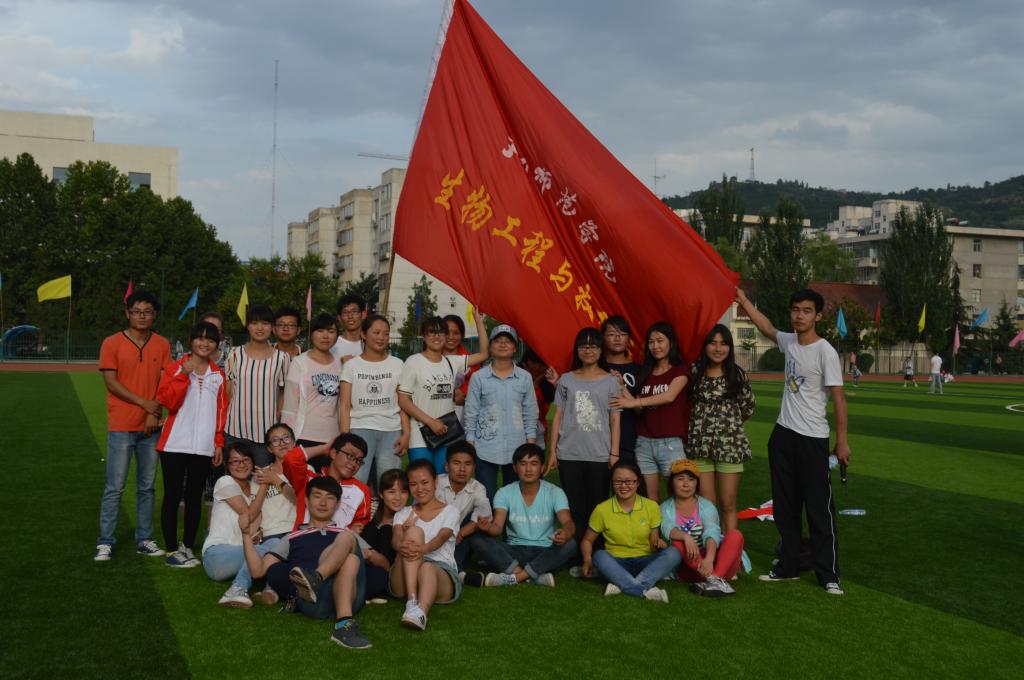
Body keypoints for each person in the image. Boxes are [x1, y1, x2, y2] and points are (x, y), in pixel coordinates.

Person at [736, 287, 849, 596]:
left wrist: (842, 441)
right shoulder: (789, 341)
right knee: (785, 508)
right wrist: (743, 301)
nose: (799, 316)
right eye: (795, 310)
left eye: (806, 311)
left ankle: (829, 575)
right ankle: (788, 567)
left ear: (818, 316)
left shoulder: (825, 351)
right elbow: (767, 327)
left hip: (813, 438)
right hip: (783, 435)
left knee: (819, 510)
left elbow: (839, 399)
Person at [240, 476, 373, 649]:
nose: (323, 503)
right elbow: (257, 571)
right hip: (314, 601)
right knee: (348, 545)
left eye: (330, 498)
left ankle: (320, 583)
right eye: (317, 496)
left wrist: (368, 554)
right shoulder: (291, 537)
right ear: (306, 500)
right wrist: (245, 535)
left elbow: (383, 563)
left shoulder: (346, 533)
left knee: (349, 550)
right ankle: (339, 618)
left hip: (349, 595)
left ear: (337, 504)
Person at [95, 291, 172, 561]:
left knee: (147, 487)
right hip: (121, 424)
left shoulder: (162, 344)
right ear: (127, 313)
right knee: (114, 487)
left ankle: (144, 538)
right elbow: (111, 383)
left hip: (150, 427)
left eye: (147, 311)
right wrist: (144, 403)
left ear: (154, 315)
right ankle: (105, 541)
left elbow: (164, 382)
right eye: (137, 311)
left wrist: (153, 411)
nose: (142, 316)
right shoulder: (112, 343)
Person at [156, 320, 228, 567]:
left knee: (195, 496)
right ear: (191, 340)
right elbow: (169, 402)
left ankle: (187, 546)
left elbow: (221, 412)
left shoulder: (218, 375)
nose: (204, 343)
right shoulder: (175, 368)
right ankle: (171, 550)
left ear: (217, 345)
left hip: (203, 446)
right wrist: (184, 375)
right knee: (173, 495)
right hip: (174, 444)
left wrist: (218, 442)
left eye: (211, 340)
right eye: (200, 338)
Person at [547, 327, 621, 549]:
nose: (588, 351)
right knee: (575, 507)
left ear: (601, 350)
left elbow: (615, 419)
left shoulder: (611, 381)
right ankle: (577, 553)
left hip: (600, 454)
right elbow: (557, 416)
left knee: (598, 507)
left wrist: (614, 453)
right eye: (583, 346)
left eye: (593, 346)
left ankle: (596, 553)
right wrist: (552, 452)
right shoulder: (566, 380)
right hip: (569, 453)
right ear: (577, 350)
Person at [471, 443, 576, 587]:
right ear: (515, 468)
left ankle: (516, 577)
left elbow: (568, 523)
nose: (528, 469)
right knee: (477, 538)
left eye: (534, 464)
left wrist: (566, 533)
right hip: (515, 551)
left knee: (570, 544)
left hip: (545, 551)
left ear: (542, 468)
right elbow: (497, 528)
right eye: (523, 464)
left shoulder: (555, 492)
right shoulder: (504, 493)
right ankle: (533, 576)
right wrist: (488, 527)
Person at [684, 324, 755, 534]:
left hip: (730, 448)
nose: (718, 348)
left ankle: (730, 549)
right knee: (706, 505)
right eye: (713, 343)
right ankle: (711, 546)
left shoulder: (737, 375)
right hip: (700, 447)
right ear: (705, 346)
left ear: (729, 347)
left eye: (723, 344)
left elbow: (748, 408)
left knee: (728, 503)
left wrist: (728, 426)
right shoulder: (694, 371)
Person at [398, 313, 488, 473]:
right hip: (420, 435)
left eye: (441, 332)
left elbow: (484, 354)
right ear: (424, 336)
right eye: (432, 332)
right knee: (422, 480)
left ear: (446, 336)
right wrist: (430, 422)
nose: (437, 336)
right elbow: (403, 400)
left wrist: (479, 322)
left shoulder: (452, 362)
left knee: (442, 481)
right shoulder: (413, 362)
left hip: (446, 434)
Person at [610, 321, 689, 502]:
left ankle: (678, 523)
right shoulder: (645, 372)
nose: (655, 346)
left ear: (671, 342)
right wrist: (622, 387)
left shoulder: (680, 370)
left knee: (679, 496)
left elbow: (669, 396)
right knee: (649, 499)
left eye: (660, 341)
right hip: (644, 443)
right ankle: (654, 523)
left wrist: (632, 401)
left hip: (671, 443)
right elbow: (638, 409)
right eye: (651, 342)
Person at [580, 461, 679, 602]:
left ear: (638, 482)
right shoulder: (602, 509)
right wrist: (587, 559)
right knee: (599, 555)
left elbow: (653, 541)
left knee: (674, 553)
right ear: (612, 483)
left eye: (628, 481)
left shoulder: (651, 506)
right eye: (618, 481)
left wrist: (657, 543)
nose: (623, 486)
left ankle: (623, 584)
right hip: (616, 562)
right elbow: (587, 540)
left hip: (645, 561)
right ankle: (643, 589)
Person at [463, 324, 538, 501]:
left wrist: (530, 444)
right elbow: (471, 412)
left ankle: (510, 520)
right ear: (490, 346)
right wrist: (470, 443)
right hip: (484, 449)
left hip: (517, 448)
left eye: (508, 341)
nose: (503, 344)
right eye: (498, 341)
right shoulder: (479, 377)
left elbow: (530, 412)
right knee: (485, 497)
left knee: (514, 498)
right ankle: (487, 519)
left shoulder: (525, 377)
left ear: (515, 347)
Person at [202, 442, 279, 607]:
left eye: (246, 460)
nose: (241, 465)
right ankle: (238, 588)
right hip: (217, 555)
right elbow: (249, 514)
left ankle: (270, 588)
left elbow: (251, 528)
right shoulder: (225, 481)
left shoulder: (253, 488)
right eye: (235, 461)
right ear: (227, 465)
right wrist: (265, 485)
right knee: (269, 548)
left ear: (252, 462)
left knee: (275, 543)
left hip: (241, 554)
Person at [390, 460, 462, 631]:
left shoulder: (451, 511)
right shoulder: (404, 512)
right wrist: (402, 542)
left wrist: (422, 549)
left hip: (440, 573)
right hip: (404, 576)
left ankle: (420, 613)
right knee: (413, 532)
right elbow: (395, 539)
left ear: (435, 481)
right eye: (413, 484)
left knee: (427, 567)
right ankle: (411, 601)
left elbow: (441, 537)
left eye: (424, 482)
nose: (419, 489)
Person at [340, 314, 409, 487]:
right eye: (376, 332)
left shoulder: (398, 364)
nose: (381, 338)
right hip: (359, 428)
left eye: (386, 334)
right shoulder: (351, 365)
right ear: (363, 334)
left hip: (391, 430)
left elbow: (403, 403)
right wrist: (345, 438)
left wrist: (406, 433)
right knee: (355, 483)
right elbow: (344, 405)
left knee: (390, 485)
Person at [661, 459, 743, 597]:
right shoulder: (664, 508)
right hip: (688, 567)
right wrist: (686, 537)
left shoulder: (706, 505)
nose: (686, 484)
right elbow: (667, 529)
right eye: (680, 479)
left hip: (714, 563)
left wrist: (709, 559)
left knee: (735, 535)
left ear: (697, 483)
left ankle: (714, 578)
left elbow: (712, 531)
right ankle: (716, 581)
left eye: (691, 479)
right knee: (677, 542)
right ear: (671, 482)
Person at [225, 304, 291, 466]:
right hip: (235, 429)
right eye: (254, 323)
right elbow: (228, 390)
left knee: (262, 478)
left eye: (265, 323)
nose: (260, 328)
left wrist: (278, 417)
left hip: (267, 432)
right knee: (236, 478)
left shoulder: (282, 358)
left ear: (272, 327)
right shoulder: (234, 354)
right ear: (247, 326)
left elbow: (284, 392)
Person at [281, 313, 342, 467]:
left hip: (332, 437)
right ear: (312, 334)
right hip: (303, 436)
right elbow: (289, 407)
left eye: (331, 331)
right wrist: (287, 440)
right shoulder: (299, 363)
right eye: (320, 331)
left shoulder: (341, 364)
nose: (325, 336)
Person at [281, 430, 373, 532]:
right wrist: (324, 448)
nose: (354, 463)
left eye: (359, 460)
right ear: (333, 453)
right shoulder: (308, 480)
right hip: (304, 538)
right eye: (350, 456)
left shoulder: (362, 490)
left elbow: (360, 526)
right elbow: (290, 459)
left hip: (340, 541)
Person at [434, 441, 492, 571]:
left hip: (459, 537)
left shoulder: (477, 488)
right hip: (433, 533)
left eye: (468, 464)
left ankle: (454, 569)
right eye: (456, 463)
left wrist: (461, 533)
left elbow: (485, 514)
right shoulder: (435, 483)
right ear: (447, 466)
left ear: (474, 467)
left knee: (473, 524)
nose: (462, 469)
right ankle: (456, 571)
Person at [361, 468, 409, 603]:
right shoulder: (370, 508)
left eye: (403, 492)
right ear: (381, 494)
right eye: (391, 492)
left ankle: (379, 585)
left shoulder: (408, 515)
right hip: (366, 560)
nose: (398, 498)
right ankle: (370, 583)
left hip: (390, 568)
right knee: (369, 528)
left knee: (387, 530)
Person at [601, 316, 640, 464]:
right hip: (598, 439)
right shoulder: (595, 367)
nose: (617, 338)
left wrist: (622, 387)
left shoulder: (639, 370)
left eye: (622, 334)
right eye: (612, 334)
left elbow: (640, 409)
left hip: (630, 439)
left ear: (629, 338)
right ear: (603, 338)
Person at [519, 348, 558, 446]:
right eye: (533, 362)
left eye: (541, 364)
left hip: (537, 437)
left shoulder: (549, 385)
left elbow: (537, 412)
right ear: (526, 361)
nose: (537, 367)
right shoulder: (515, 376)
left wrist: (536, 383)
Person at [442, 314, 479, 412]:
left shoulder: (471, 360)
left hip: (463, 412)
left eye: (456, 333)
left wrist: (464, 390)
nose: (451, 337)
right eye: (447, 332)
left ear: (462, 336)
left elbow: (478, 383)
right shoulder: (430, 358)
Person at [331, 294, 367, 364]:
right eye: (345, 312)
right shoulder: (332, 345)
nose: (350, 316)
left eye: (354, 311)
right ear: (339, 317)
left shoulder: (371, 344)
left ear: (363, 314)